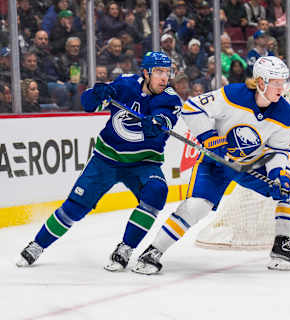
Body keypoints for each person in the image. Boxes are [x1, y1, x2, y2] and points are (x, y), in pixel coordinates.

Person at [132, 56, 290, 274]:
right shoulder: (232, 95)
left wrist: (277, 174)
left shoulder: (287, 115)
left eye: (283, 81)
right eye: (276, 82)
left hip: (251, 167)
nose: (281, 87)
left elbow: (278, 151)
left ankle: (282, 247)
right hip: (216, 163)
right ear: (261, 82)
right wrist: (209, 137)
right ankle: (153, 251)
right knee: (198, 206)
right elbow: (192, 108)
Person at [16, 52, 183, 271]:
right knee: (74, 209)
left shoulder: (170, 98)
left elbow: (165, 118)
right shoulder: (125, 84)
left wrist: (158, 121)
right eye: (159, 72)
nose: (164, 78)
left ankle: (125, 248)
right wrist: (98, 92)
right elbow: (88, 104)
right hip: (107, 159)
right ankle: (37, 245)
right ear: (146, 73)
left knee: (156, 191)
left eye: (167, 73)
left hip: (144, 163)